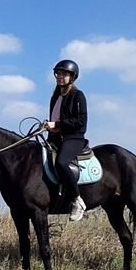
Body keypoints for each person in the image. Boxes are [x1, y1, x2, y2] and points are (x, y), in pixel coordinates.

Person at [45, 59, 88, 222]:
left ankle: (78, 200)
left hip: (73, 138)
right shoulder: (55, 97)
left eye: (64, 74)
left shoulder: (78, 95)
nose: (60, 77)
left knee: (61, 163)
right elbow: (55, 121)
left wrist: (58, 124)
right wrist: (49, 127)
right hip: (56, 138)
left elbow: (81, 121)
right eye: (58, 74)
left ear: (72, 77)